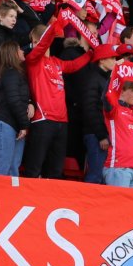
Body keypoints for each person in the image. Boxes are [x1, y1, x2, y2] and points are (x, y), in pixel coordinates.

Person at [23, 15, 92, 179]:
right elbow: (42, 46)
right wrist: (55, 26)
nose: (38, 44)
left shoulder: (56, 62)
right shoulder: (33, 60)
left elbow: (74, 65)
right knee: (34, 167)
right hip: (43, 120)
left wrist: (91, 54)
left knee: (56, 170)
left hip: (62, 121)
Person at [76, 44, 128, 183]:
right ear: (102, 60)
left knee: (101, 176)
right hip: (96, 135)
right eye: (112, 58)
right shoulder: (93, 79)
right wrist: (101, 136)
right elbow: (90, 109)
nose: (114, 61)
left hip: (102, 134)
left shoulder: (105, 79)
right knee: (96, 175)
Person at [0, 42, 31, 177]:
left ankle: (10, 193)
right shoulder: (11, 74)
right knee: (2, 170)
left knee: (13, 171)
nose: (23, 51)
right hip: (6, 126)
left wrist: (30, 104)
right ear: (12, 54)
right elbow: (14, 100)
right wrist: (24, 125)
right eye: (19, 49)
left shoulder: (15, 74)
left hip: (14, 127)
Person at [102, 77, 133, 189]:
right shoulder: (114, 109)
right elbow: (105, 97)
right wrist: (113, 76)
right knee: (118, 201)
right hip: (118, 168)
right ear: (122, 91)